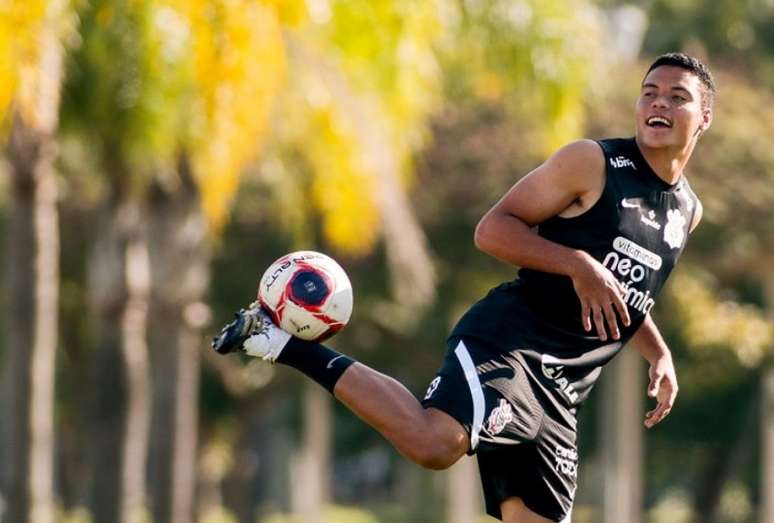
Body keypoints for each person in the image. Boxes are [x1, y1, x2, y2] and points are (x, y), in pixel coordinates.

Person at [212, 52, 715, 522]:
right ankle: (276, 340)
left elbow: (624, 287)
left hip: (565, 390)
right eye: (650, 92)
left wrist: (658, 352)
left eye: (677, 96)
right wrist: (576, 263)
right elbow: (493, 230)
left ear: (704, 118)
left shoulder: (687, 211)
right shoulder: (591, 163)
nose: (659, 103)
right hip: (510, 343)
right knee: (436, 443)